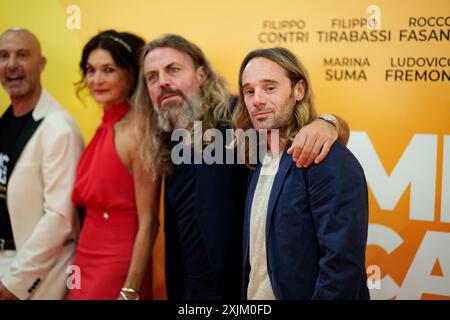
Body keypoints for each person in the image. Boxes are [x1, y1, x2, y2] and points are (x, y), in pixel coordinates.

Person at [133, 34, 350, 300]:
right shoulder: (163, 138)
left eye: (173, 70)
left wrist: (328, 122)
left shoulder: (238, 120)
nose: (163, 81)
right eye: (152, 77)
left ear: (201, 75)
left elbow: (297, 127)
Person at [234, 47, 369, 299]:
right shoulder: (259, 160)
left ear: (299, 90)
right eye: (249, 91)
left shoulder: (327, 158)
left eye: (270, 88)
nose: (257, 100)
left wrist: (328, 121)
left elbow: (341, 268)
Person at [68, 30, 160, 300]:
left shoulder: (137, 132)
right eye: (91, 70)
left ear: (130, 73)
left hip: (118, 260)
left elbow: (149, 221)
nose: (96, 80)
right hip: (85, 252)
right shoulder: (107, 124)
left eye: (108, 70)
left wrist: (129, 290)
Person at [0, 28, 84, 300]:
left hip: (35, 274)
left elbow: (60, 218)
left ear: (42, 64)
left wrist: (17, 282)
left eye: (22, 55)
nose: (11, 64)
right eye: (3, 56)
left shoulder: (59, 128)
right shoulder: (5, 122)